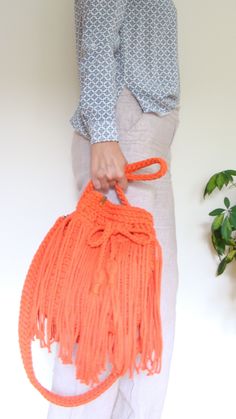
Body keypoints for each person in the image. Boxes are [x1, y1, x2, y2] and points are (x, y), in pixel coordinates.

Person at [47, 0, 181, 418]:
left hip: (135, 130)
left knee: (140, 319)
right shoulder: (113, 132)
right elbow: (98, 36)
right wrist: (105, 135)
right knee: (110, 318)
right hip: (126, 132)